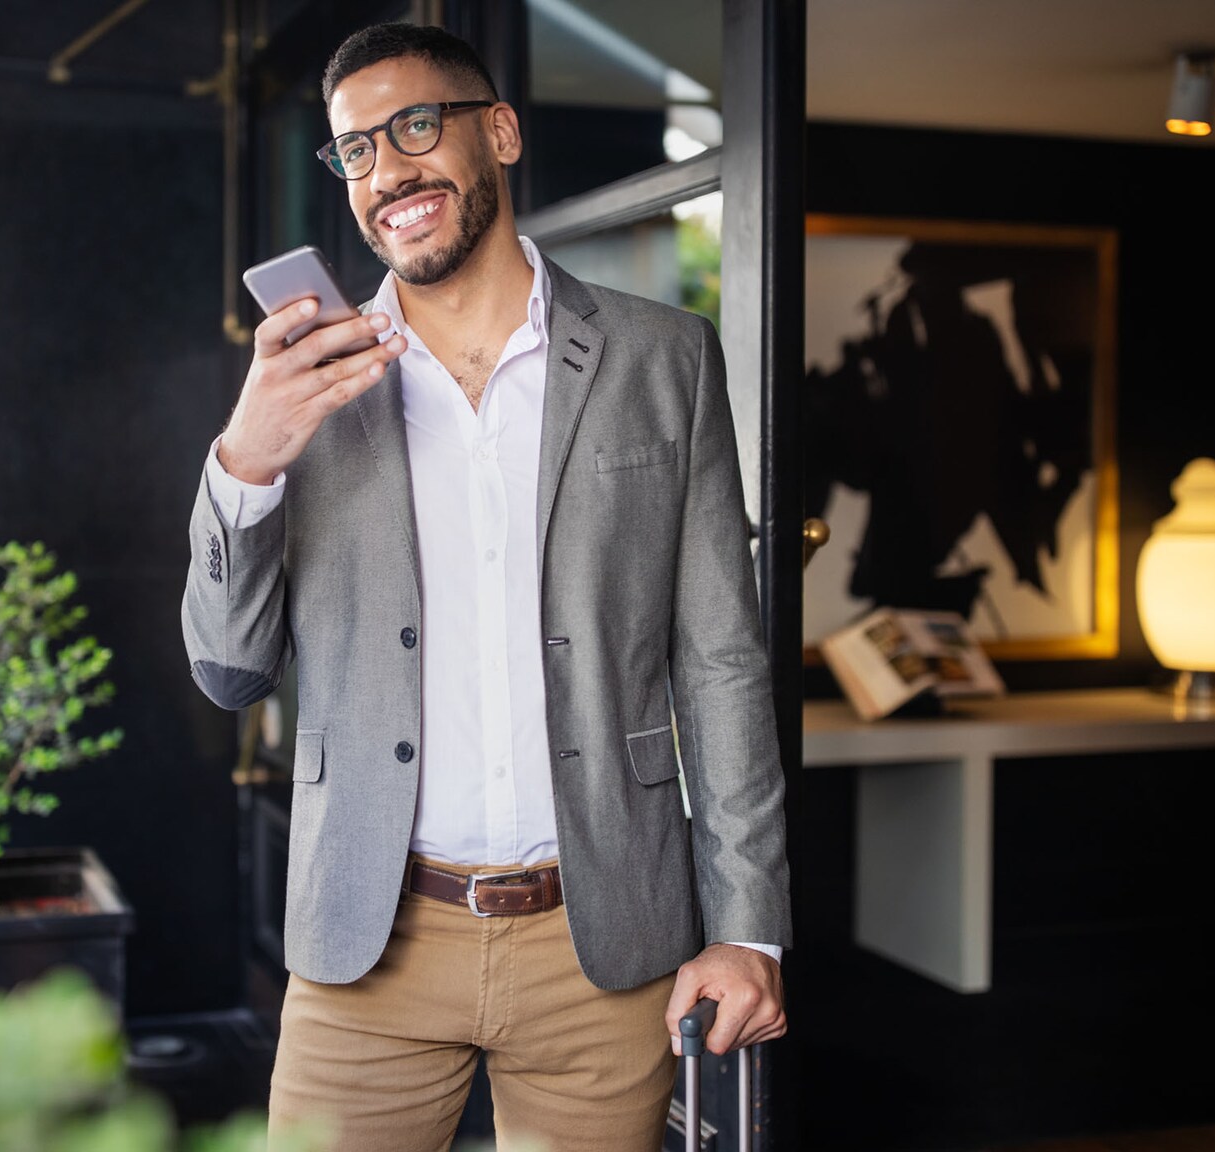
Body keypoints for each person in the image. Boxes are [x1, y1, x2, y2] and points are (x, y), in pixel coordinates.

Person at [181, 22, 790, 1152]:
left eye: (414, 126)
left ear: (497, 132)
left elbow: (717, 661)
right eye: (353, 151)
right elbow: (228, 668)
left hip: (599, 941)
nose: (387, 173)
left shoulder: (665, 359)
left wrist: (749, 926)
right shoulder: (304, 389)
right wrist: (246, 461)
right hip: (369, 945)